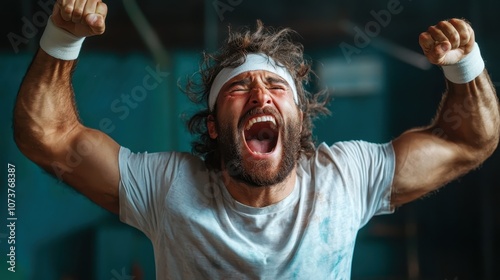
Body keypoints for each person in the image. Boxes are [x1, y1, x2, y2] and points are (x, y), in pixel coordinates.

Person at [13, 0, 499, 279]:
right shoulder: (167, 187)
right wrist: (61, 37)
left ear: (299, 121)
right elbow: (48, 137)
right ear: (212, 125)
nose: (261, 94)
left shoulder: (347, 178)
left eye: (277, 87)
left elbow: (467, 142)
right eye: (240, 87)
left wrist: (465, 65)